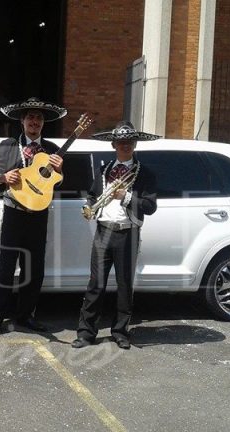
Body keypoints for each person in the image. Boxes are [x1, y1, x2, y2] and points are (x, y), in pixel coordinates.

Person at [0, 97, 67, 337]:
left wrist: (60, 170)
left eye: (39, 118)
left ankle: (25, 315)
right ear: (22, 120)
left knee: (34, 269)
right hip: (13, 215)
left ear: (43, 123)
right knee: (6, 268)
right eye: (30, 116)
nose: (35, 121)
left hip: (39, 216)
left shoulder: (53, 150)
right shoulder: (7, 146)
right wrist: (2, 178)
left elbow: (58, 185)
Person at [72, 121, 159, 350]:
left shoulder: (145, 173)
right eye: (121, 142)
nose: (125, 145)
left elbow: (150, 206)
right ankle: (86, 333)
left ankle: (120, 331)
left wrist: (127, 197)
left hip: (128, 233)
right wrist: (88, 207)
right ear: (113, 144)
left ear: (135, 143)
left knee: (124, 285)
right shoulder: (103, 170)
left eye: (129, 141)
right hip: (103, 231)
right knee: (95, 284)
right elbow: (92, 195)